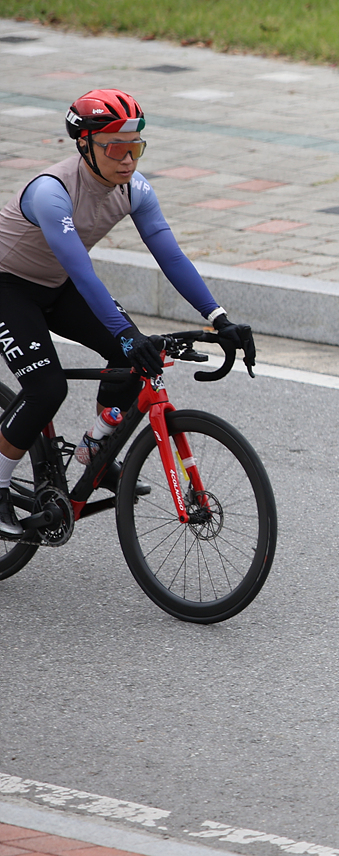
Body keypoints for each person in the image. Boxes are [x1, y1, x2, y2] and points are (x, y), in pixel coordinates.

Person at [0, 89, 251, 538]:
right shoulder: (51, 192)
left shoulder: (135, 189)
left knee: (135, 357)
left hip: (59, 285)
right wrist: (126, 333)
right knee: (46, 388)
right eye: (116, 148)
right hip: (8, 286)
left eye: (136, 147)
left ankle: (95, 450)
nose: (128, 159)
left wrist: (219, 317)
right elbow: (83, 271)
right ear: (85, 146)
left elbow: (170, 256)